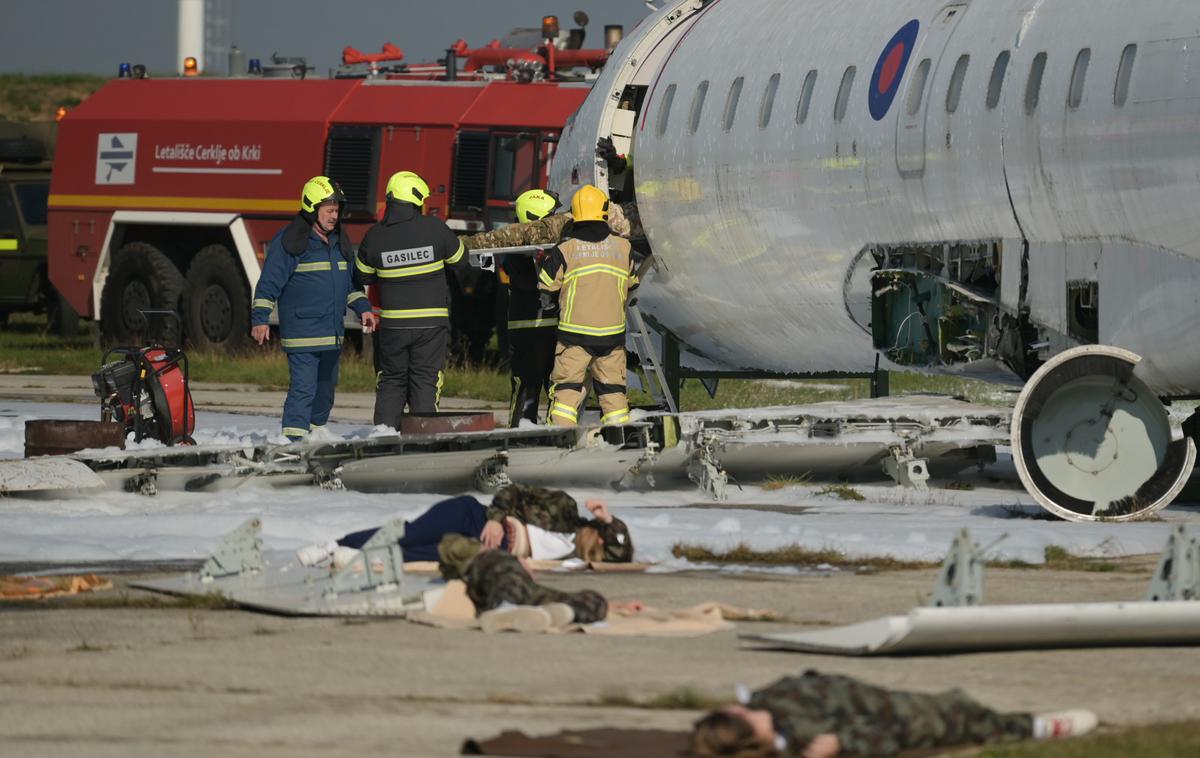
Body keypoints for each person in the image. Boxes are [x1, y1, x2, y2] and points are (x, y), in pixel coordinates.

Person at [689, 670, 1099, 757]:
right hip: (917, 719)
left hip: (904, 708)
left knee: (961, 713)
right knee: (971, 720)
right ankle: (1040, 728)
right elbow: (885, 738)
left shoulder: (774, 705)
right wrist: (841, 743)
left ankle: (1034, 726)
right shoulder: (799, 729)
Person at [250, 176, 377, 441]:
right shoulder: (291, 241)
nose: (335, 215)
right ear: (312, 207)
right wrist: (260, 318)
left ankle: (317, 432)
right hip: (302, 331)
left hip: (331, 333)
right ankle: (294, 442)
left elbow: (350, 285)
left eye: (337, 210)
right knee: (303, 388)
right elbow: (268, 283)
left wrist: (363, 308)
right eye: (329, 210)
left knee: (326, 389)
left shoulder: (340, 242)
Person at [355, 170, 466, 427]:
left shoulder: (375, 236)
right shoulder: (434, 228)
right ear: (417, 200)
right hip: (431, 325)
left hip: (393, 326)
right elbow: (460, 261)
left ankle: (384, 438)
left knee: (391, 382)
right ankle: (421, 440)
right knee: (425, 381)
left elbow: (362, 275)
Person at [297, 483, 634, 565]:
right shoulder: (565, 509)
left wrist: (612, 525)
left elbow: (623, 553)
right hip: (477, 517)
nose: (602, 546)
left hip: (488, 550)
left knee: (419, 555)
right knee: (410, 533)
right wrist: (499, 520)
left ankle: (351, 557)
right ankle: (335, 544)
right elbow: (511, 491)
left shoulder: (573, 562)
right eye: (603, 536)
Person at [537, 184, 637, 427]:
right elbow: (632, 283)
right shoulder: (624, 247)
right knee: (613, 393)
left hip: (574, 336)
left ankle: (563, 443)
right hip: (611, 336)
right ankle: (616, 441)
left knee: (567, 393)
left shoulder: (566, 248)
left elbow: (546, 284)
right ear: (603, 212)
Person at [462, 189, 564, 426]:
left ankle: (540, 429)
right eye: (551, 214)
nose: (555, 219)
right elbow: (533, 284)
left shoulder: (534, 247)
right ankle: (523, 432)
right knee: (533, 386)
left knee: (547, 386)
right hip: (534, 329)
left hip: (539, 328)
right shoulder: (518, 254)